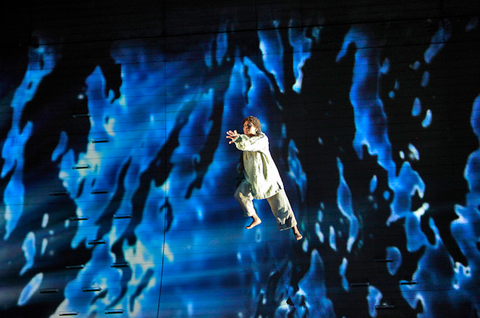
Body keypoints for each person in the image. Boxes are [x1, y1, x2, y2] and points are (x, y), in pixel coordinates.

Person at [226, 116, 303, 240]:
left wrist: (239, 138)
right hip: (251, 178)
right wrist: (238, 139)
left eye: (249, 126)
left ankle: (295, 229)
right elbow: (243, 144)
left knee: (281, 204)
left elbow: (249, 144)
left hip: (268, 178)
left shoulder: (262, 139)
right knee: (240, 194)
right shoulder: (245, 141)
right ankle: (255, 217)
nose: (245, 128)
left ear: (256, 128)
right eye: (244, 126)